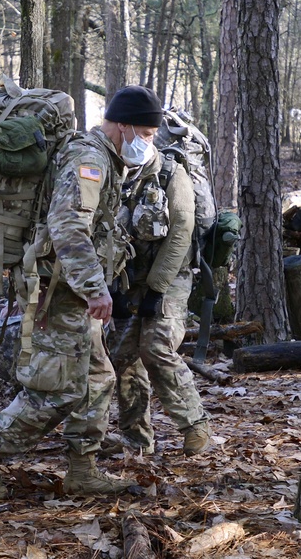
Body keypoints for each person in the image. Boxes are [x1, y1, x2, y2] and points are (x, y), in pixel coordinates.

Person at [0, 85, 164, 499]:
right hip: (60, 292)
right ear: (122, 126)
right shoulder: (88, 158)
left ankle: (82, 469)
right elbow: (68, 227)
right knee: (58, 389)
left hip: (73, 291)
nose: (149, 143)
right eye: (146, 134)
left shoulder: (102, 155)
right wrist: (95, 289)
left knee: (98, 378)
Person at [103, 142, 211, 457]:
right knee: (123, 354)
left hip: (170, 275)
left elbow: (181, 231)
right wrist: (111, 286)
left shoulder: (171, 173)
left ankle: (195, 424)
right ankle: (136, 437)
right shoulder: (111, 171)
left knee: (155, 346)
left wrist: (157, 287)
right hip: (128, 277)